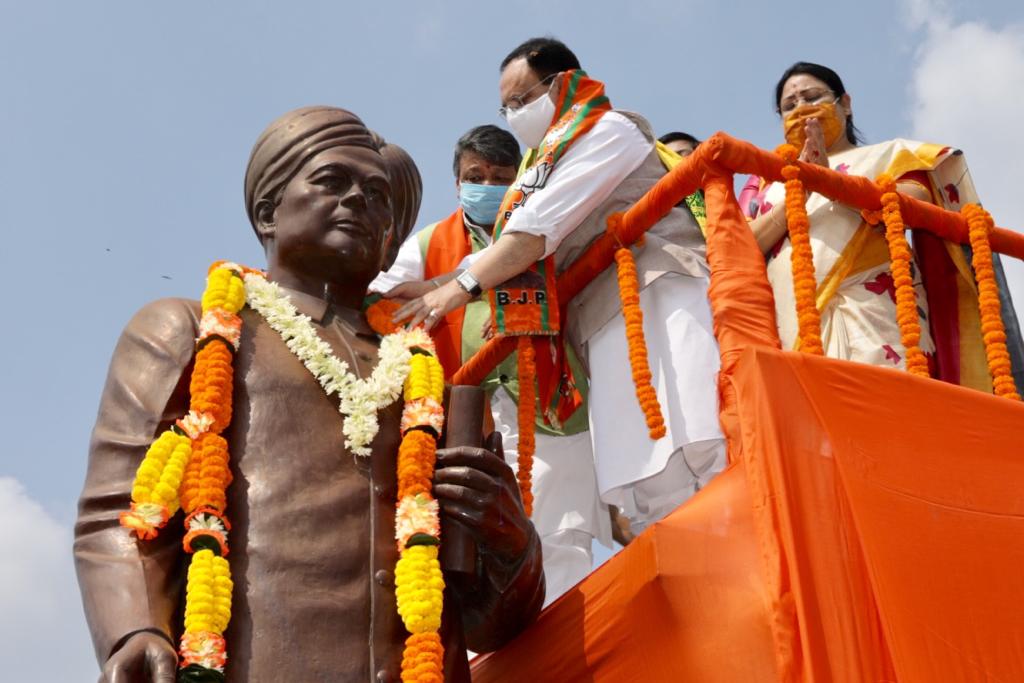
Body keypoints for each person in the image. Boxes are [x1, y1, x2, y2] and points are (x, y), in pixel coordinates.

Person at [74, 106, 544, 682]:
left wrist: (511, 542)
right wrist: (136, 629)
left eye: (377, 195)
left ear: (392, 237)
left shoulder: (435, 387)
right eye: (332, 182)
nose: (359, 201)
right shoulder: (191, 329)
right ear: (268, 212)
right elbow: (118, 514)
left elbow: (490, 626)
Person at [397, 38, 726, 536]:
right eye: (505, 106)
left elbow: (535, 232)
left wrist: (457, 288)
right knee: (650, 478)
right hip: (600, 323)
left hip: (661, 292)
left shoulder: (610, 130)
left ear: (561, 83)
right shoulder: (539, 169)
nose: (514, 114)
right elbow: (510, 241)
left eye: (522, 99)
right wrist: (430, 284)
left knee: (704, 442)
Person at [372, 124, 611, 604]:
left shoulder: (550, 228)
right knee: (478, 551)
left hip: (554, 411)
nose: (486, 184)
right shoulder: (426, 244)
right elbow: (382, 299)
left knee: (562, 543)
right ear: (457, 182)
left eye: (500, 176)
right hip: (466, 421)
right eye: (474, 175)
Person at [740, 61, 1023, 386]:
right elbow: (740, 245)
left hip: (877, 313)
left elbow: (915, 202)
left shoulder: (891, 156)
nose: (801, 109)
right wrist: (800, 189)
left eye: (811, 96)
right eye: (789, 106)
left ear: (845, 103)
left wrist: (831, 183)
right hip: (791, 324)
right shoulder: (766, 182)